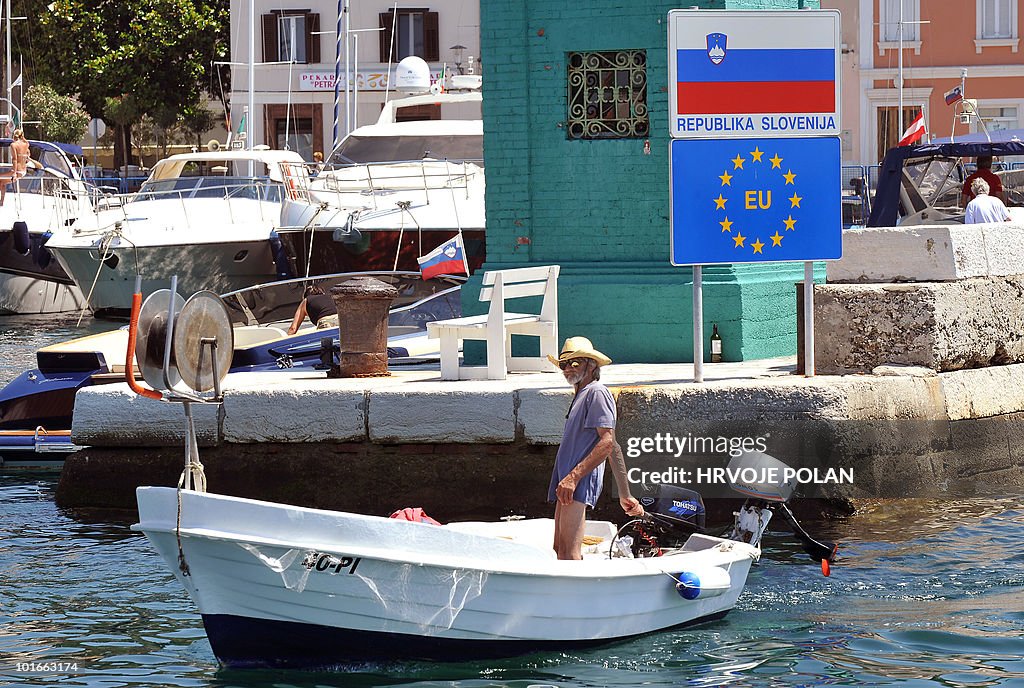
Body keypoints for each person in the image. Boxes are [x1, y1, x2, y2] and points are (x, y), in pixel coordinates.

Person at [547, 336, 644, 560]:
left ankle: (574, 595)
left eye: (575, 363)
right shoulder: (581, 394)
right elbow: (615, 447)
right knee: (558, 549)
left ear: (591, 365)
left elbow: (607, 442)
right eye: (564, 365)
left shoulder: (597, 392)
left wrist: (573, 478)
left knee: (568, 553)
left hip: (576, 481)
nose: (567, 369)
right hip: (567, 480)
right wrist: (625, 494)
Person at [1, 129, 38, 205]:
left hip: (16, 171)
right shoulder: (26, 144)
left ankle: (1, 201)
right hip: (23, 171)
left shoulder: (13, 145)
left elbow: (15, 159)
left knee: (1, 180)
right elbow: (25, 141)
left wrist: (14, 173)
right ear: (22, 135)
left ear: (14, 136)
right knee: (1, 182)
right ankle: (1, 202)